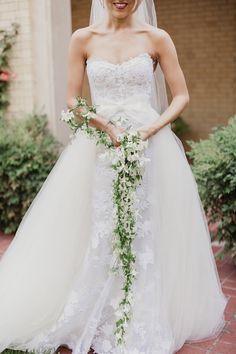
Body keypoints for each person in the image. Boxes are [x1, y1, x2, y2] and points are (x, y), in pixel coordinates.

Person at [0, 1, 228, 354]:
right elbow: (73, 99)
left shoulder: (157, 37)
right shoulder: (83, 38)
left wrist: (150, 129)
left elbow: (181, 95)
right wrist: (104, 125)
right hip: (99, 147)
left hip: (150, 147)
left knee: (146, 225)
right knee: (98, 224)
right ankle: (95, 308)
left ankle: (140, 309)